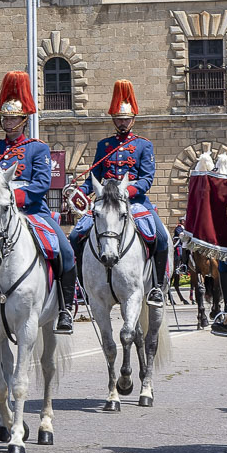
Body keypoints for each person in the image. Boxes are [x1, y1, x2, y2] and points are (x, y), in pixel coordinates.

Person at [0, 71, 75, 334]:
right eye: (6, 118)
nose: (8, 124)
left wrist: (11, 198)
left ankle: (65, 308)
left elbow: (42, 185)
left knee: (63, 249)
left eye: (13, 119)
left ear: (24, 120)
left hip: (31, 212)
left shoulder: (37, 148)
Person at [70, 80, 169, 312]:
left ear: (133, 119)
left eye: (125, 119)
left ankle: (156, 286)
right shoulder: (105, 145)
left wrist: (127, 191)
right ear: (113, 120)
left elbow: (146, 179)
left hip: (134, 202)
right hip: (106, 201)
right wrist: (80, 192)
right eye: (118, 118)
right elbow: (93, 176)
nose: (122, 122)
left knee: (162, 238)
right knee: (75, 235)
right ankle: (83, 285)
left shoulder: (143, 145)